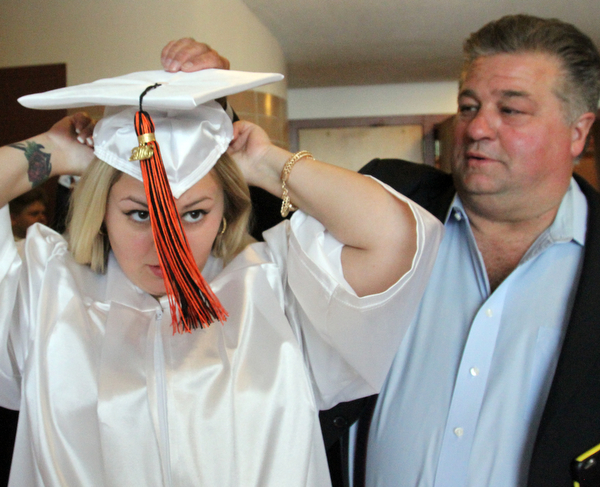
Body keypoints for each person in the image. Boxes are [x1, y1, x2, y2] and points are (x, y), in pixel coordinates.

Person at [0, 68, 441, 486]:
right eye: (138, 214)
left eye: (194, 213)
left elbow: (395, 237)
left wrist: (266, 162)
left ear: (225, 213)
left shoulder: (275, 290)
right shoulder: (44, 292)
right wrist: (51, 153)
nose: (165, 244)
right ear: (101, 210)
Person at [317, 14, 600, 487]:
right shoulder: (388, 203)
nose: (476, 129)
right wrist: (213, 107)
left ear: (578, 131)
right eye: (469, 106)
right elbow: (253, 215)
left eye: (510, 110)